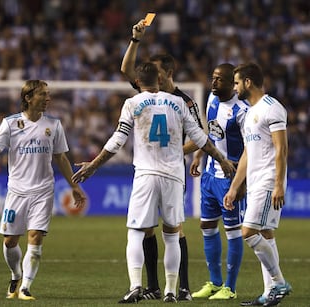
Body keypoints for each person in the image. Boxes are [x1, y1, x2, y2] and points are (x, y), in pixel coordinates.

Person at [72, 62, 236, 303]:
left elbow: (117, 140)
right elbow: (201, 138)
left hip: (146, 175)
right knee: (172, 235)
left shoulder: (133, 103)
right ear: (159, 81)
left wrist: (93, 165)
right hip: (173, 176)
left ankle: (136, 286)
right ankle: (171, 290)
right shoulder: (178, 103)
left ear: (138, 83)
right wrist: (222, 159)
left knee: (136, 232)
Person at [0, 80, 87, 301]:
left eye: (48, 94)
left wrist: (74, 186)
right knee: (10, 241)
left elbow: (61, 158)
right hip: (17, 191)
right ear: (28, 98)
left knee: (36, 236)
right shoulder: (10, 124)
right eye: (43, 95)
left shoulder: (54, 125)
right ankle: (16, 274)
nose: (48, 98)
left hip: (43, 190)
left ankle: (26, 287)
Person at [120, 18, 202, 301]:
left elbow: (199, 135)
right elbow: (126, 69)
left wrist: (178, 152)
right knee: (147, 231)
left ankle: (183, 287)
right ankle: (154, 287)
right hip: (151, 170)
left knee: (175, 229)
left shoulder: (184, 101)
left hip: (171, 171)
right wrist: (135, 39)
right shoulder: (146, 95)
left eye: (155, 71)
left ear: (167, 72)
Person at [223, 63, 292, 307]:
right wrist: (234, 187)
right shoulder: (250, 113)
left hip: (267, 180)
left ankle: (279, 282)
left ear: (248, 82)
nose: (235, 87)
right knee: (265, 234)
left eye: (237, 82)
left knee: (248, 232)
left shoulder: (272, 109)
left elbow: (281, 149)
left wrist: (278, 185)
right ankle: (268, 293)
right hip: (254, 181)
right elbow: (247, 154)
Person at [188, 63, 249, 300]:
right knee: (207, 227)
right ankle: (215, 283)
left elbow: (250, 148)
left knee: (233, 232)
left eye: (219, 79)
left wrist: (241, 182)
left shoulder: (242, 111)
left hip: (230, 178)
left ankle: (230, 288)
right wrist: (197, 155)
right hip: (210, 175)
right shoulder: (212, 101)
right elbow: (209, 132)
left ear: (231, 84)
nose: (213, 83)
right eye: (212, 78)